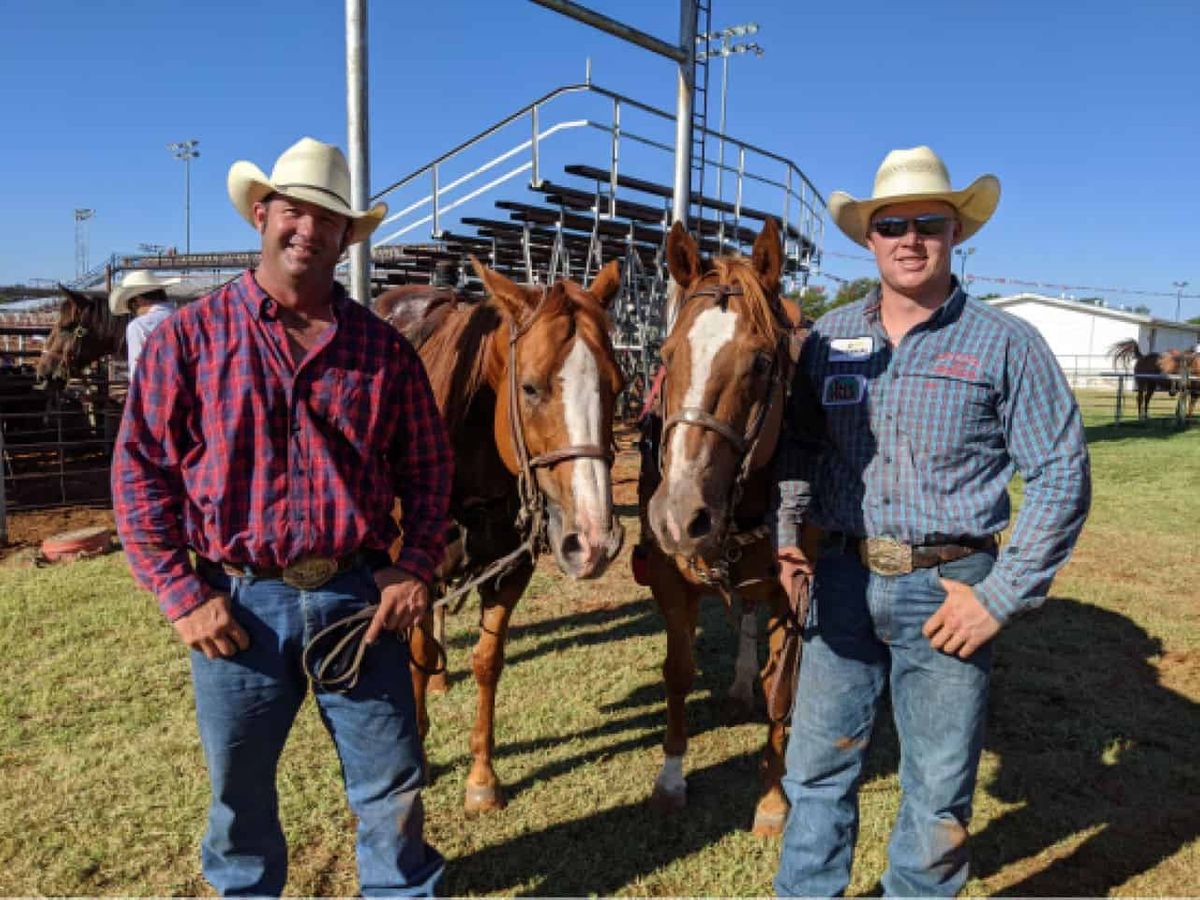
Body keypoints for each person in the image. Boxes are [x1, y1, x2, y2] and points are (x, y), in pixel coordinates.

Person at [112, 137, 454, 896]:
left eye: (327, 220)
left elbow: (430, 468)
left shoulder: (381, 350)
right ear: (261, 215)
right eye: (293, 213)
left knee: (390, 780)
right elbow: (139, 475)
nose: (308, 231)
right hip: (237, 602)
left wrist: (416, 564)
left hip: (356, 596)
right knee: (240, 794)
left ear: (345, 236)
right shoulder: (189, 339)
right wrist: (180, 595)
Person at [772, 146, 1091, 896]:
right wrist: (788, 538)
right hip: (843, 579)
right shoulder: (826, 339)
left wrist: (999, 596)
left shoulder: (1005, 344)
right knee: (816, 770)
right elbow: (798, 445)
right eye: (892, 226)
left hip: (951, 587)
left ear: (955, 235)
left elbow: (1061, 475)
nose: (910, 239)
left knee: (938, 786)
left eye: (928, 224)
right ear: (870, 239)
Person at [109, 270, 180, 379]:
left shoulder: (139, 326)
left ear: (139, 300)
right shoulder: (186, 319)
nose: (135, 312)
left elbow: (137, 373)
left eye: (131, 307)